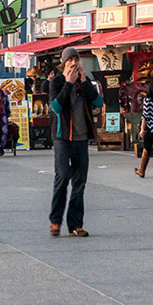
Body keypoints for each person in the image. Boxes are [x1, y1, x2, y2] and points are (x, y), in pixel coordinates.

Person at [48, 46, 102, 237]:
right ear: (64, 62)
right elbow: (55, 106)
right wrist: (69, 83)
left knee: (79, 183)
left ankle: (76, 224)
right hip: (62, 139)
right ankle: (55, 221)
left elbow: (99, 103)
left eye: (76, 59)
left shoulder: (84, 83)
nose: (74, 62)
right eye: (70, 59)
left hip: (80, 140)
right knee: (62, 177)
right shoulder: (57, 82)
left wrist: (84, 82)